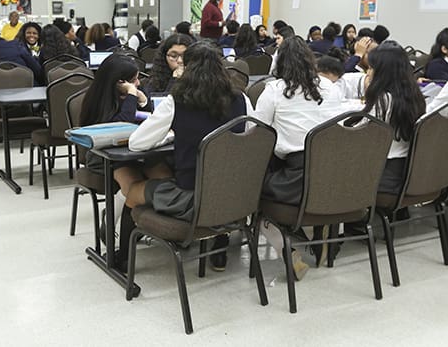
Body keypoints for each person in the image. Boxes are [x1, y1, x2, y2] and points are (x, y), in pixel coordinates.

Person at [126, 42, 253, 272]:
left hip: (192, 198)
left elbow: (136, 143)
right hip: (235, 196)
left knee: (133, 190)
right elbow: (250, 140)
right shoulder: (241, 99)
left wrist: (168, 136)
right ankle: (220, 247)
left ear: (187, 68)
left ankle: (122, 256)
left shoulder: (177, 101)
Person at [253, 35, 344, 275]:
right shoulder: (331, 88)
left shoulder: (274, 90)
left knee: (253, 197)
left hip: (296, 177)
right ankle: (321, 231)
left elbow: (257, 133)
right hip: (332, 175)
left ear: (279, 63)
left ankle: (288, 251)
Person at [79, 54, 156, 269]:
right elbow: (120, 127)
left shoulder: (130, 95)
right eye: (133, 80)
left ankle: (121, 220)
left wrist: (142, 99)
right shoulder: (98, 101)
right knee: (134, 185)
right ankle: (116, 234)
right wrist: (132, 96)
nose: (138, 84)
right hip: (103, 158)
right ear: (117, 83)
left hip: (132, 154)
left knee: (160, 172)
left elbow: (150, 121)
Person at [362, 41, 426, 196]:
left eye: (371, 68)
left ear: (383, 72)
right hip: (406, 171)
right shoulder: (415, 96)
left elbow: (362, 138)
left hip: (382, 176)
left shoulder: (383, 101)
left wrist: (368, 90)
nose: (368, 73)